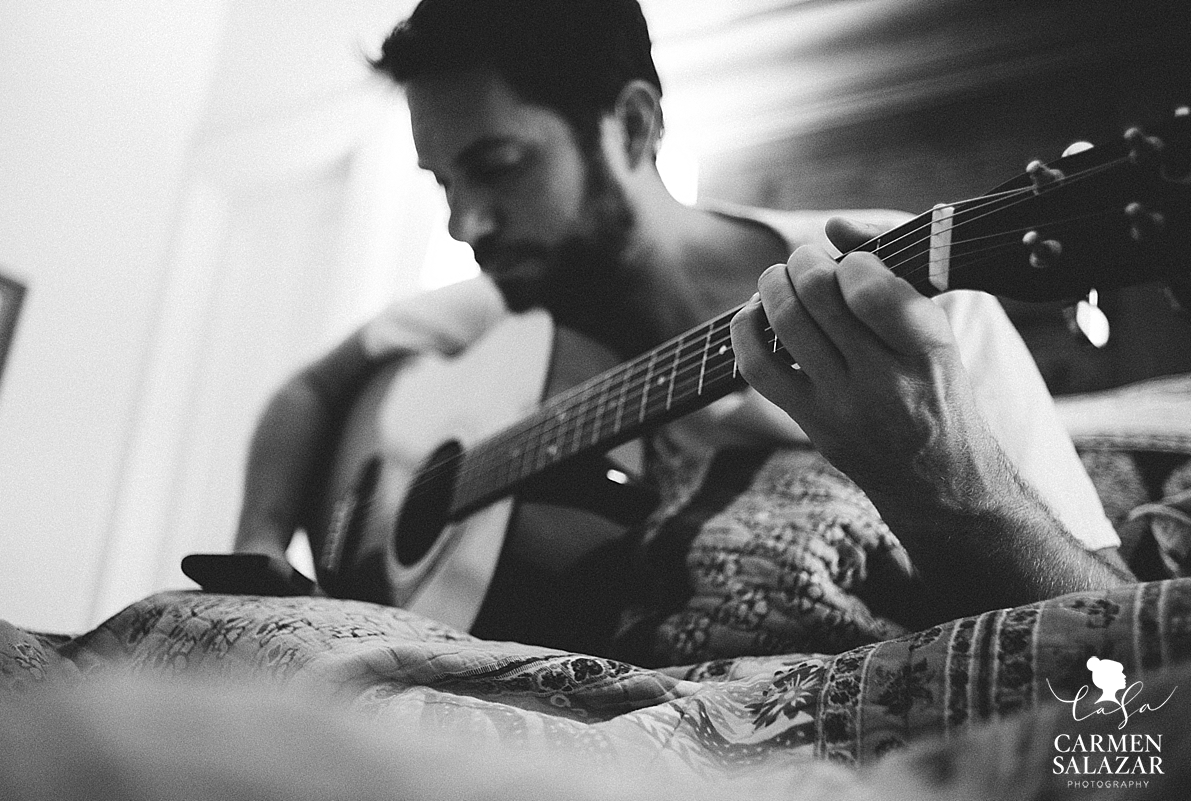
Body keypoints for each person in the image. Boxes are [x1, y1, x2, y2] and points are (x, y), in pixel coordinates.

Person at [234, 0, 1131, 656]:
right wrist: (263, 543)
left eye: (498, 168)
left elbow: (1125, 639)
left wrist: (944, 487)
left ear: (631, 126)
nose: (467, 225)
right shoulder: (515, 303)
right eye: (443, 187)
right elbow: (309, 389)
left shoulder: (921, 307)